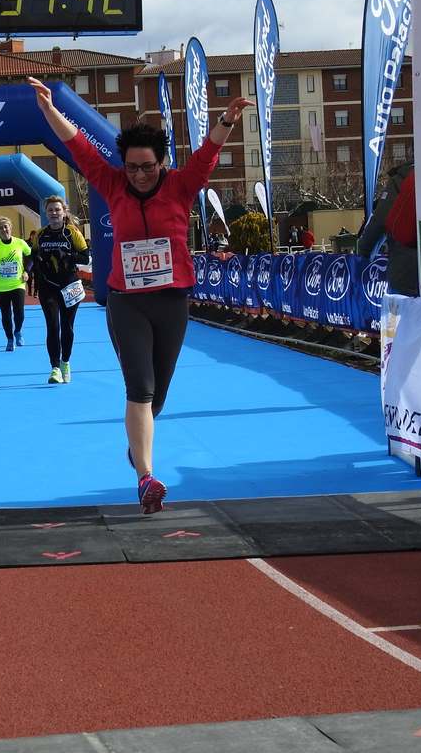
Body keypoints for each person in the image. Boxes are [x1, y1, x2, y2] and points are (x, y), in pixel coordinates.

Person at [29, 76, 253, 514]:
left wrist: (226, 120)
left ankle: (138, 448)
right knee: (140, 388)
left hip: (171, 301)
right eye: (132, 167)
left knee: (159, 396)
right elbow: (80, 147)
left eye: (147, 166)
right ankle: (145, 477)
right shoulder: (112, 184)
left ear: (161, 164)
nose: (140, 174)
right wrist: (50, 112)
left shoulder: (181, 186)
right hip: (126, 302)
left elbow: (207, 155)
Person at [30, 196, 89, 384]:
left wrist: (69, 256)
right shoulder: (41, 234)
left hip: (70, 285)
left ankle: (65, 362)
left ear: (64, 212)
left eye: (57, 210)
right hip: (48, 286)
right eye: (50, 210)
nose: (54, 213)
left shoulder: (72, 233)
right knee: (53, 326)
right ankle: (54, 367)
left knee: (67, 326)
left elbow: (85, 257)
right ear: (46, 214)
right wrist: (34, 263)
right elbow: (32, 256)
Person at [356, 162, 418, 297]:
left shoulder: (402, 179)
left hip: (407, 269)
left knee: (401, 315)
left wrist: (365, 251)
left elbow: (381, 220)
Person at [0, 216, 31, 351]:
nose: (4, 229)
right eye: (1, 228)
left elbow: (30, 256)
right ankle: (10, 339)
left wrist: (27, 271)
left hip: (18, 283)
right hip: (1, 286)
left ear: (10, 228)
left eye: (6, 226)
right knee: (5, 314)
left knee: (19, 313)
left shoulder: (20, 243)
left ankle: (18, 331)